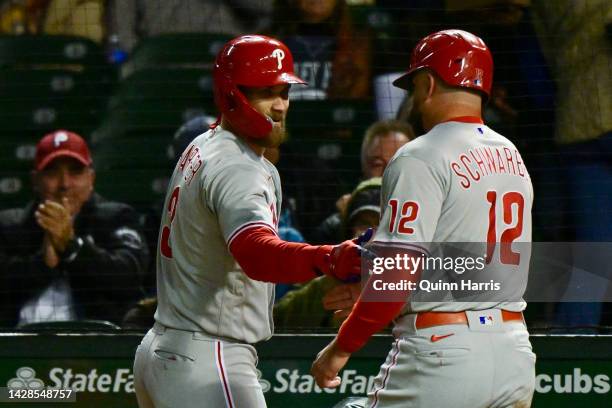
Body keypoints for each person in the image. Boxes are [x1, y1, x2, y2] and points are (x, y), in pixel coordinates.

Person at [132, 35, 365, 408]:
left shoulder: (203, 144)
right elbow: (256, 253)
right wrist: (329, 257)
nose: (279, 106)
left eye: (284, 91)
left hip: (165, 350)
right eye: (264, 92)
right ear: (231, 94)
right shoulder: (238, 166)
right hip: (208, 357)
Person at [311, 30, 536, 407]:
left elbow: (396, 275)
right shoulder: (512, 155)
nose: (413, 97)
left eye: (414, 85)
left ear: (428, 83)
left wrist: (339, 349)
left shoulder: (420, 154)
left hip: (444, 354)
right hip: (515, 352)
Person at [0, 130, 149, 327]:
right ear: (35, 180)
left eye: (75, 171)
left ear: (91, 178)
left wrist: (72, 247)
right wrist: (43, 264)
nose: (64, 184)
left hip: (98, 348)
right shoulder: (10, 226)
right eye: (52, 172)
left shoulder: (116, 217)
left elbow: (129, 276)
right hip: (18, 350)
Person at [275, 178, 382, 329]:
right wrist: (326, 286)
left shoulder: (415, 279)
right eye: (363, 223)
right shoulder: (328, 273)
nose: (370, 233)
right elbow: (278, 318)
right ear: (349, 230)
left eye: (380, 224)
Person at [312, 120, 413, 244]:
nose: (388, 174)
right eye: (378, 164)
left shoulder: (437, 220)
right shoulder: (335, 226)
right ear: (364, 169)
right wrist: (345, 226)